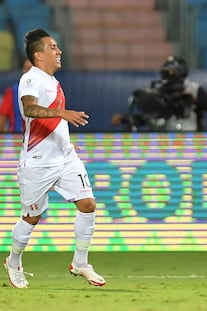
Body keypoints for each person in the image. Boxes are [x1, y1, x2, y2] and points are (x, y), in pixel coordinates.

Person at [3, 29, 106, 288]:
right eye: (53, 47)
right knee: (31, 217)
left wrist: (62, 116)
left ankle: (80, 263)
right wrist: (62, 113)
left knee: (88, 204)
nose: (59, 51)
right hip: (37, 161)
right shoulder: (31, 79)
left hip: (65, 157)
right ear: (38, 55)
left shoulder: (53, 81)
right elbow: (29, 108)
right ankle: (13, 261)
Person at [112, 55, 207, 132]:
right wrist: (130, 119)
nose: (166, 76)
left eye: (170, 72)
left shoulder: (193, 89)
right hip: (165, 141)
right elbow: (152, 117)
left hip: (190, 139)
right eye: (165, 72)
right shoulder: (160, 91)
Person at [0, 58, 32, 133]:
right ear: (22, 71)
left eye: (32, 70)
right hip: (17, 138)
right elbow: (1, 123)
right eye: (27, 69)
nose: (29, 73)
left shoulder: (47, 92)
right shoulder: (12, 92)